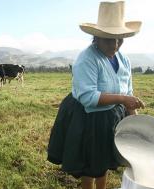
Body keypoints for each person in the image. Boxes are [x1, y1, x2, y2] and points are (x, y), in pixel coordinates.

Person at [47, 1, 145, 189]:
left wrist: (137, 123)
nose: (115, 45)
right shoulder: (87, 59)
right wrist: (123, 99)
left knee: (104, 159)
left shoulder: (123, 59)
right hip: (88, 117)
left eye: (120, 39)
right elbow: (88, 97)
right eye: (109, 39)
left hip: (111, 116)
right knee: (90, 162)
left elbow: (128, 91)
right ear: (96, 37)